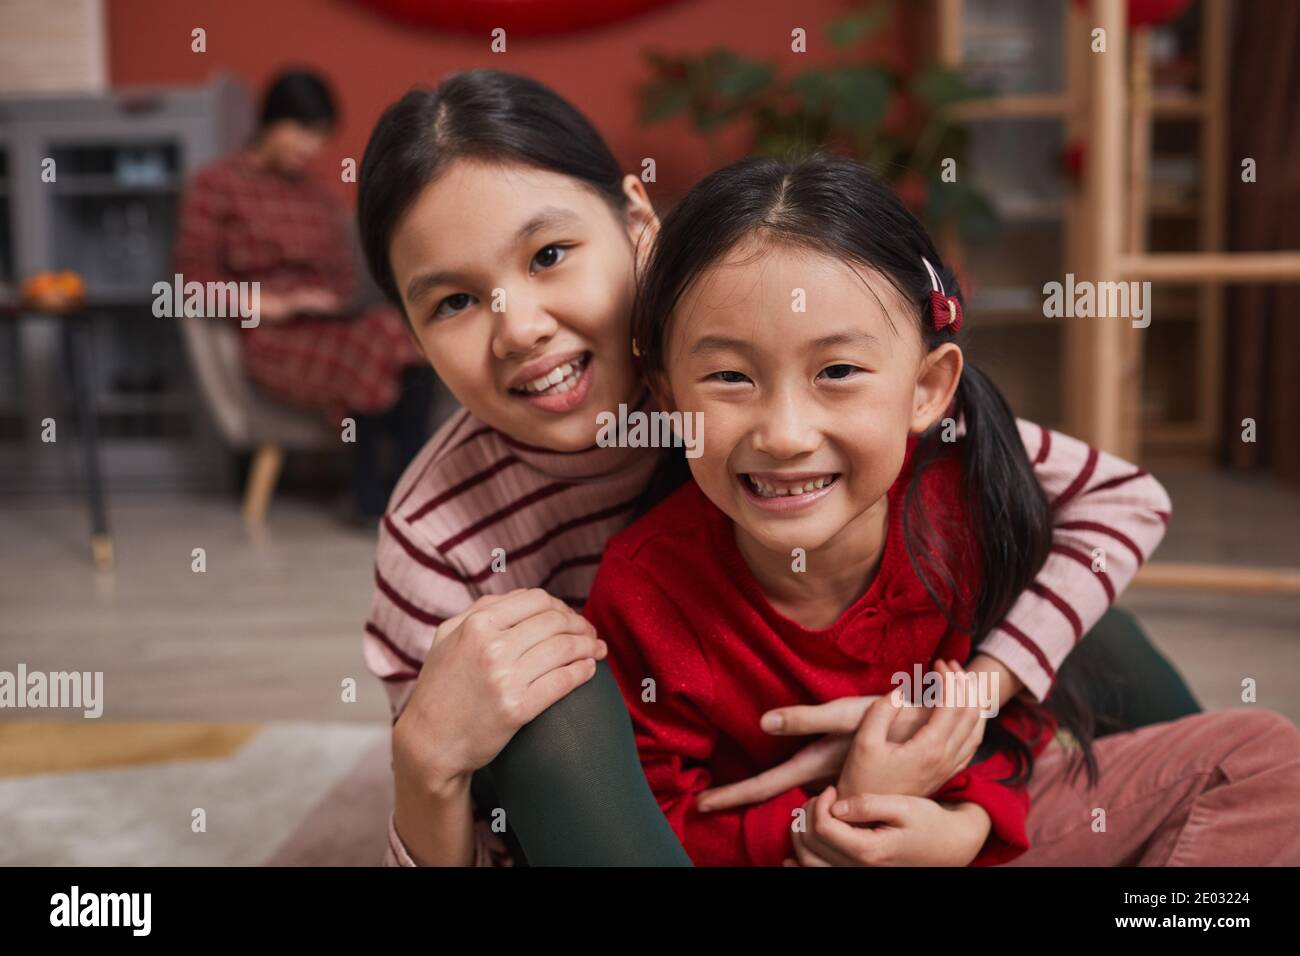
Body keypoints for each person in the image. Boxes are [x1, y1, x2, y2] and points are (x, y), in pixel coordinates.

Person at [356, 69, 1181, 867]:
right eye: (453, 302)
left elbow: (1118, 498)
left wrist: (974, 694)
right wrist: (426, 764)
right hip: (666, 812)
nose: (521, 328)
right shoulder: (435, 539)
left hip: (871, 739)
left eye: (549, 255)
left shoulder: (792, 375)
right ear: (412, 334)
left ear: (639, 223)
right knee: (547, 691)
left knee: (1064, 601)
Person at [581, 151, 1300, 865]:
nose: (785, 435)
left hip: (980, 823)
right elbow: (658, 828)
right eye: (730, 377)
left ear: (927, 388)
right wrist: (834, 820)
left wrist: (971, 822)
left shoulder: (958, 498)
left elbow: (1019, 718)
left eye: (837, 372)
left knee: (1260, 758)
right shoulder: (647, 589)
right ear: (670, 399)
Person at [175, 69, 432, 521]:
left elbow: (343, 276)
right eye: (299, 131)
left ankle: (396, 491)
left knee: (405, 332)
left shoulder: (319, 197)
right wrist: (276, 304)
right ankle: (378, 496)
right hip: (270, 338)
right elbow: (190, 287)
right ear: (269, 122)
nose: (309, 148)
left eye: (318, 137)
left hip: (333, 326)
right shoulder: (216, 185)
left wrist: (329, 300)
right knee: (380, 341)